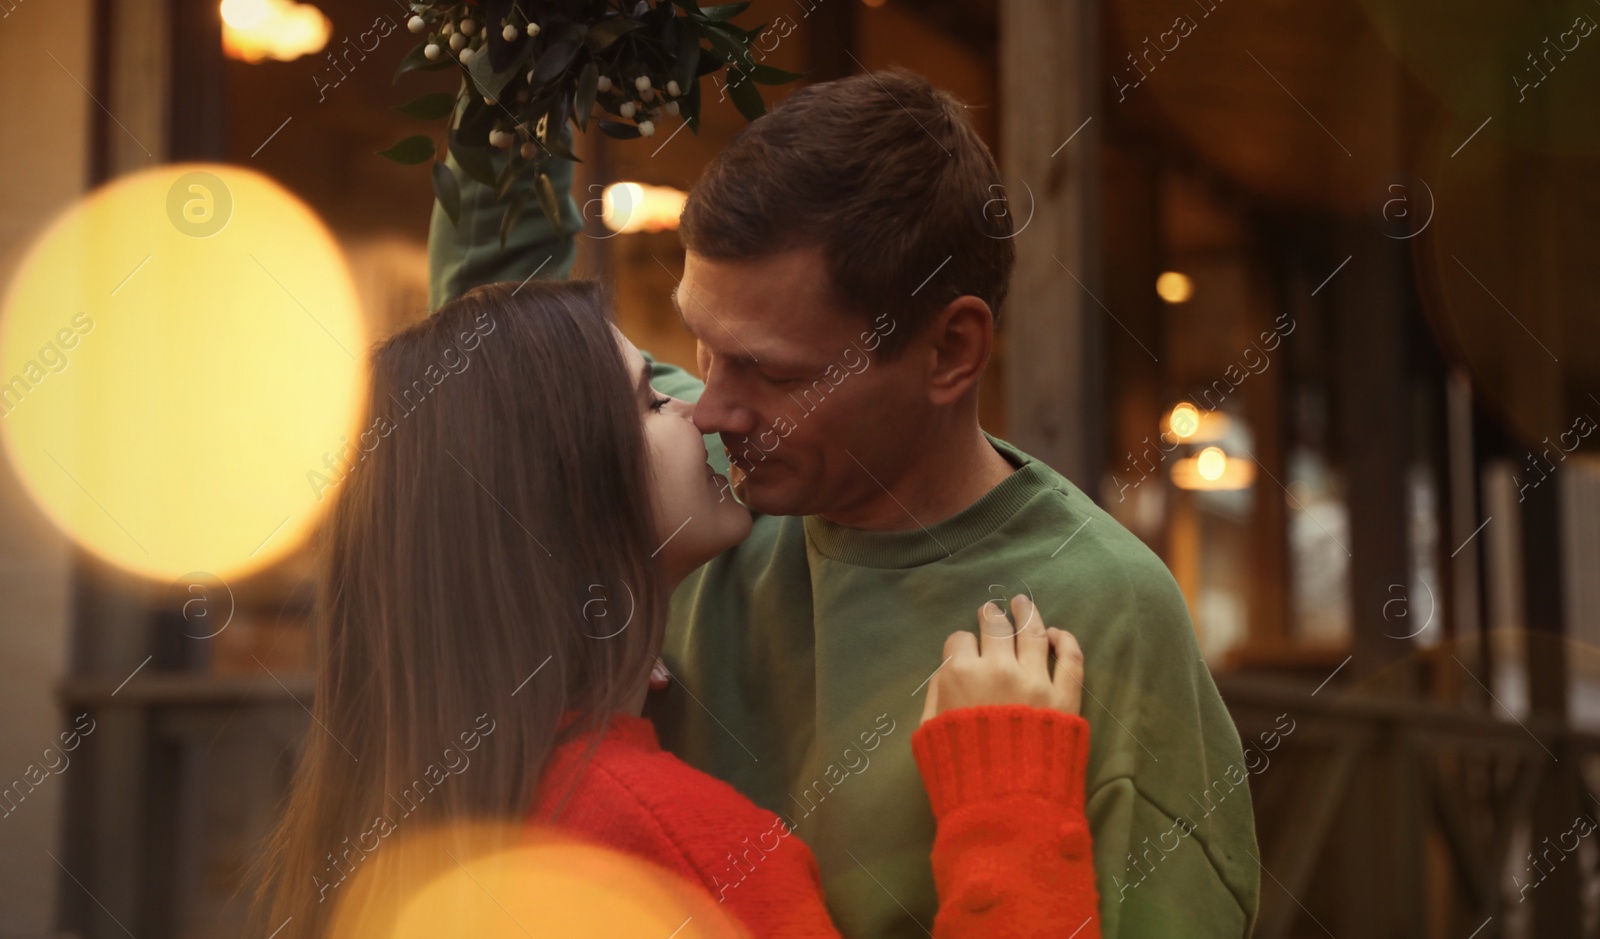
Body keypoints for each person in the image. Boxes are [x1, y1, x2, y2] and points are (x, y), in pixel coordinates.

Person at [430, 68, 1261, 936]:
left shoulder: (1106, 610)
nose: (708, 407)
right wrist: (519, 24)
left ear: (951, 350)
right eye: (701, 346)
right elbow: (501, 350)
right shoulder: (685, 471)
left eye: (776, 371)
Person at [256, 280, 1101, 938]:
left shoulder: (405, 816)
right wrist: (1011, 807)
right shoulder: (669, 839)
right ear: (570, 487)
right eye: (650, 401)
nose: (697, 407)